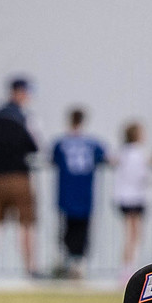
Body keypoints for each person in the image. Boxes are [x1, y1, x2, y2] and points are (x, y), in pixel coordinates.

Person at [0, 76, 39, 278]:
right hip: (20, 176)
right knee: (26, 224)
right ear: (20, 92)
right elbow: (34, 146)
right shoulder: (22, 117)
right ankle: (31, 268)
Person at [50, 108, 108, 279]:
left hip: (67, 193)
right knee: (82, 231)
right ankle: (78, 263)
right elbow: (104, 156)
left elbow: (53, 159)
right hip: (84, 194)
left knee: (67, 229)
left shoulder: (61, 143)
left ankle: (69, 261)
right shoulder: (92, 143)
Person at [112, 121, 152, 273]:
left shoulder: (122, 152)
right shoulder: (140, 153)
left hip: (123, 196)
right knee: (134, 235)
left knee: (129, 234)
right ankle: (129, 267)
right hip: (136, 196)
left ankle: (127, 267)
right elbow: (144, 176)